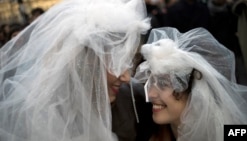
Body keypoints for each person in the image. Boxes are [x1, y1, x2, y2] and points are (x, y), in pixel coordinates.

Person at [0, 0, 150, 141]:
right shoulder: (43, 113)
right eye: (116, 64)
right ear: (86, 61)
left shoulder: (134, 100)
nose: (126, 77)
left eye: (128, 62)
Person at [135, 27, 247, 141]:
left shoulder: (231, 132)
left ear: (196, 90)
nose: (150, 94)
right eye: (150, 82)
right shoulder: (144, 128)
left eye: (163, 83)